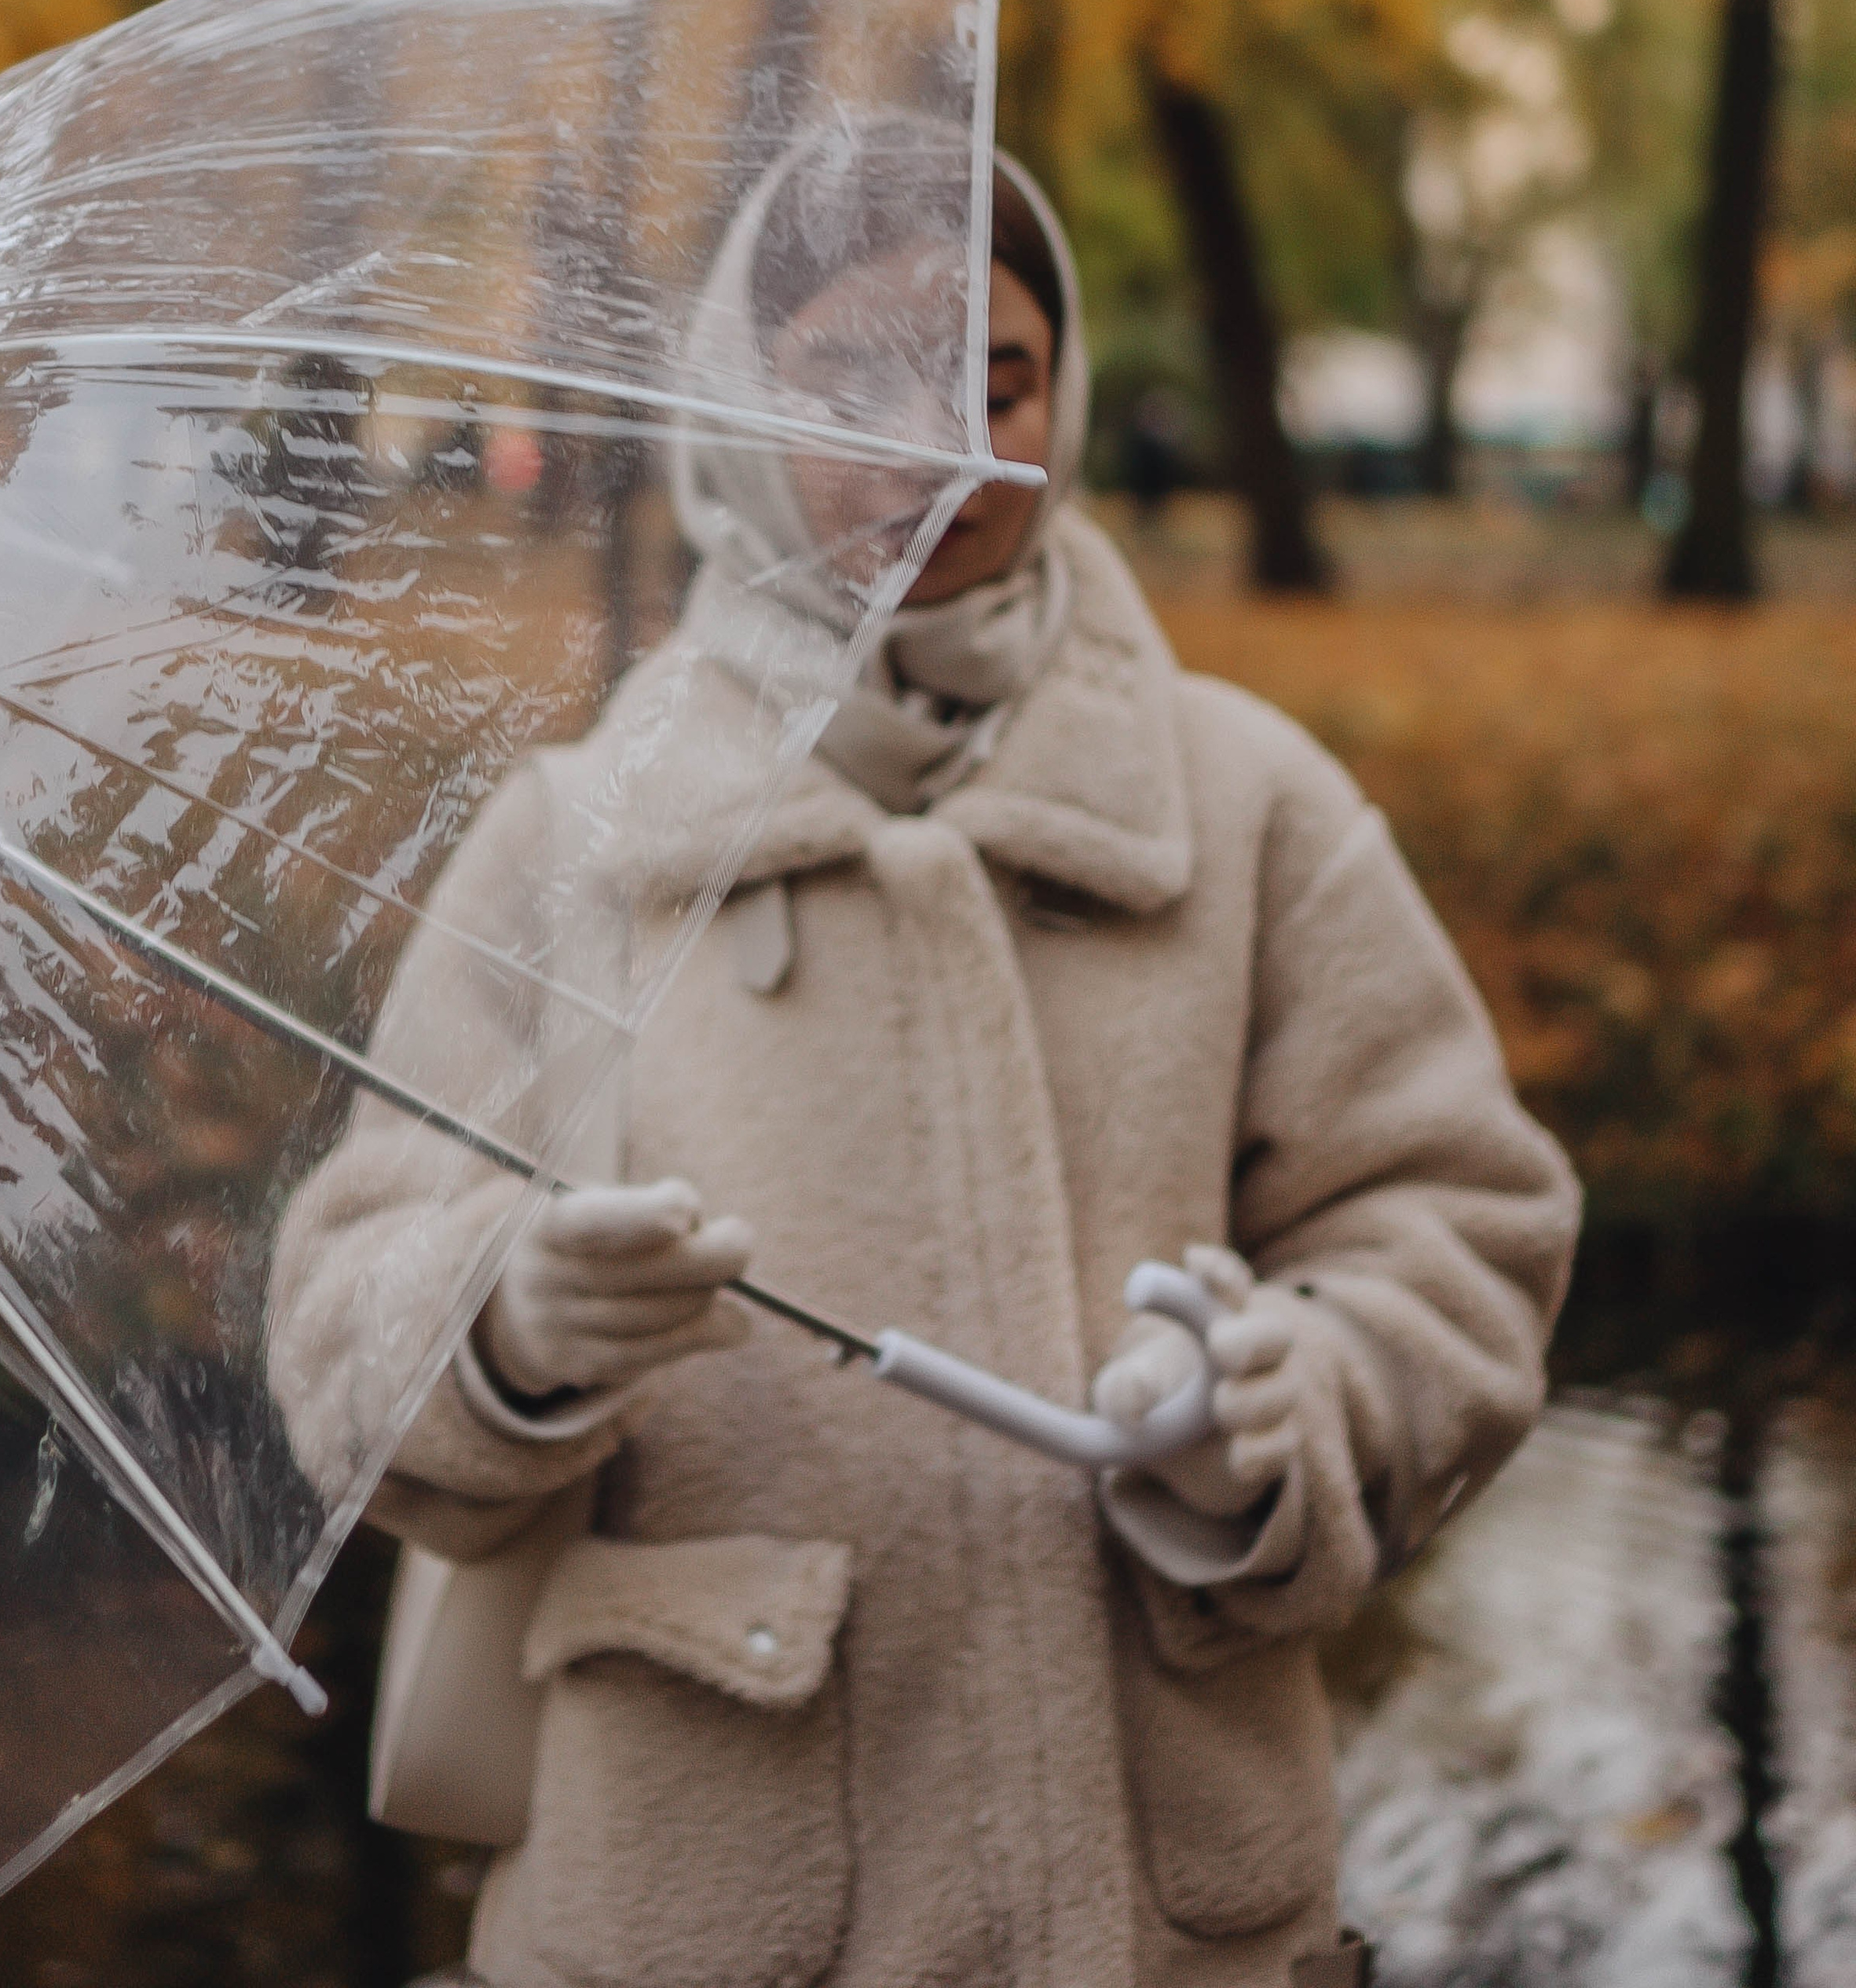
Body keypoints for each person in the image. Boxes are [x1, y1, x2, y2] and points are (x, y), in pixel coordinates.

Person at [269, 126, 1580, 1988]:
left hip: (1165, 1910)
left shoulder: (1245, 801)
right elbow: (343, 1298)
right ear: (737, 407)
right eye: (858, 384)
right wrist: (504, 1323)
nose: (946, 443)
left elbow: (1456, 1218)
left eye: (1000, 377)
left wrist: (1291, 1405)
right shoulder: (577, 839)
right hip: (705, 1899)